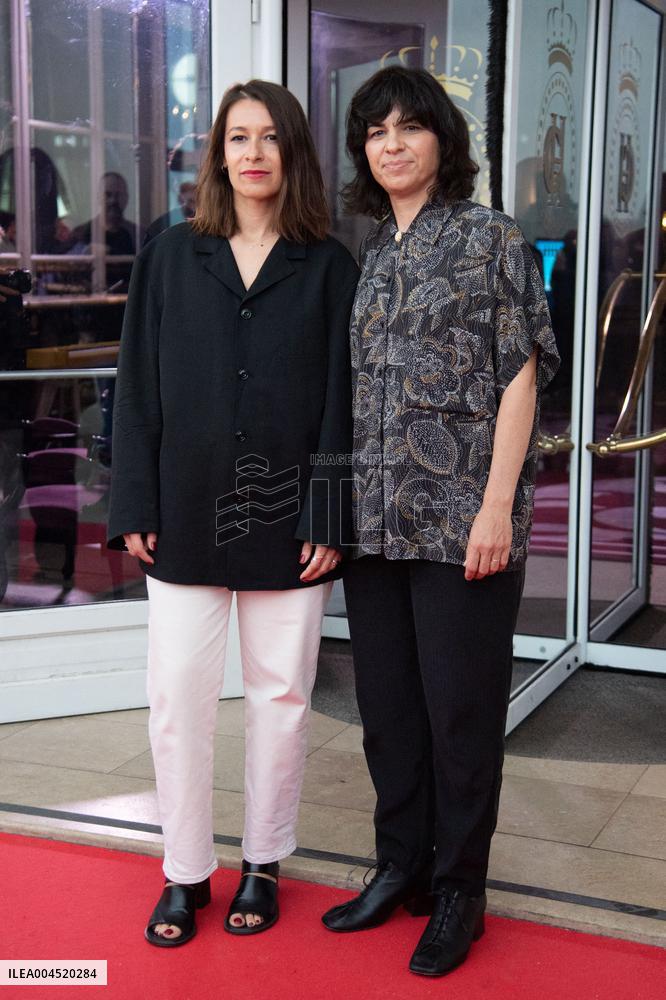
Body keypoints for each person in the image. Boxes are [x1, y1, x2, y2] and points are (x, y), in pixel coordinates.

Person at [107, 79, 358, 947]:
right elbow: (135, 387)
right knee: (176, 699)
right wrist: (133, 497)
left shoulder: (328, 264)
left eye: (268, 138)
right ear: (217, 152)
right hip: (181, 510)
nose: (251, 153)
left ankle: (263, 862)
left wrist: (328, 510)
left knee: (281, 698)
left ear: (293, 151)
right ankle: (184, 873)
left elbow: (343, 399)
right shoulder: (171, 256)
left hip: (289, 516)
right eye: (235, 137)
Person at [320, 66, 560, 977]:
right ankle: (400, 866)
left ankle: (460, 888)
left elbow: (520, 374)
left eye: (408, 127)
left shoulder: (490, 237)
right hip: (376, 523)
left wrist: (497, 504)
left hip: (465, 519)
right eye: (375, 130)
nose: (391, 143)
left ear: (440, 140)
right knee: (388, 712)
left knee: (460, 716)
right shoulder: (373, 251)